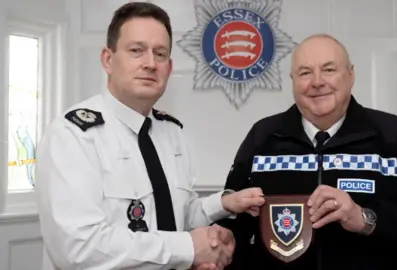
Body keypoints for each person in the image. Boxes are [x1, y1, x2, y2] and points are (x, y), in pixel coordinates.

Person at [34, 2, 264, 270]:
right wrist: (189, 248)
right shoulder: (73, 135)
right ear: (108, 60)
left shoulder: (172, 132)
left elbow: (177, 216)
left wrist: (222, 208)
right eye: (136, 51)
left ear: (169, 66)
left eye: (160, 53)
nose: (150, 63)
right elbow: (79, 248)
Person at [216, 34, 397, 270]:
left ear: (350, 75)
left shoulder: (394, 134)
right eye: (305, 72)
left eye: (329, 70)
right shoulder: (262, 137)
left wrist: (365, 219)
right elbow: (232, 220)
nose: (317, 81)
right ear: (292, 80)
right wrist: (219, 245)